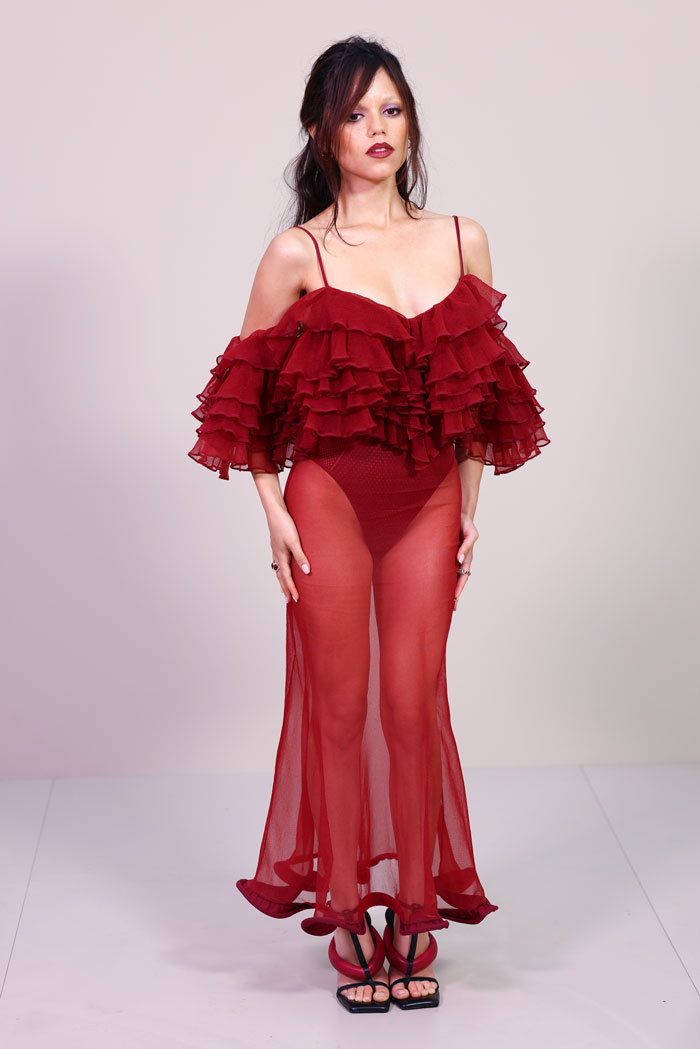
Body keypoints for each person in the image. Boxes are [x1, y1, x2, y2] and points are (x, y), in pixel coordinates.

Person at [188, 35, 550, 1013]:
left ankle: (412, 906)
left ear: (411, 121)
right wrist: (271, 514)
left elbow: (484, 393)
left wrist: (471, 506)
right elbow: (242, 405)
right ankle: (349, 906)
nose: (376, 129)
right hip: (327, 507)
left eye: (390, 109)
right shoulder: (296, 253)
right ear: (320, 130)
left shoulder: (462, 237)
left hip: (430, 502)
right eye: (354, 113)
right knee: (341, 709)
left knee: (411, 699)